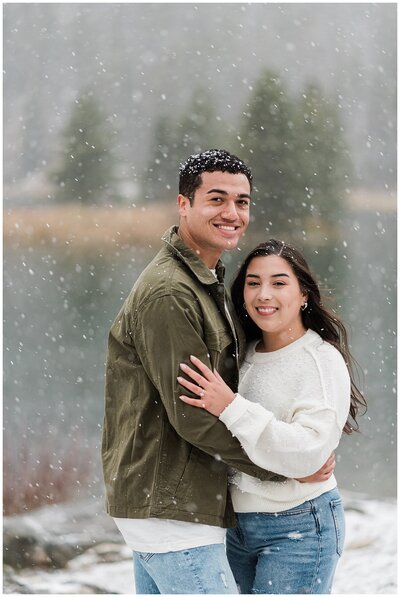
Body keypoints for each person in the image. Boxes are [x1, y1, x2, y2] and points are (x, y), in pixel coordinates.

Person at [101, 150, 332, 595]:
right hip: (170, 507)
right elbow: (193, 415)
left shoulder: (203, 281)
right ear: (183, 204)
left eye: (242, 202)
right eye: (217, 199)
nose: (232, 213)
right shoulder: (171, 292)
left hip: (172, 502)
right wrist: (284, 470)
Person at [178, 239, 366, 594]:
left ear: (304, 294)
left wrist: (231, 406)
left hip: (298, 526)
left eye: (279, 283)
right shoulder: (243, 353)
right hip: (235, 525)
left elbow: (308, 451)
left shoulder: (320, 361)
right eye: (253, 283)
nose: (264, 294)